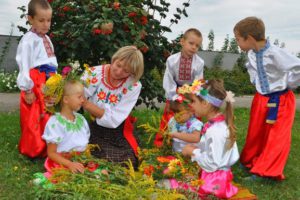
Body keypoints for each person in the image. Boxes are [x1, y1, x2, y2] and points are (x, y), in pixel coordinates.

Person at [234, 16, 300, 180]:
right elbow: (251, 68)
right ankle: (250, 160)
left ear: (248, 38)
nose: (237, 43)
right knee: (256, 131)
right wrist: (255, 80)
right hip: (261, 99)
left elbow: (298, 67)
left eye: (238, 39)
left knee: (276, 137)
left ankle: (266, 171)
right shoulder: (250, 54)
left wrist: (289, 83)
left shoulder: (276, 53)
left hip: (282, 100)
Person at [81, 46, 144, 169]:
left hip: (118, 131)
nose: (119, 72)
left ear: (132, 73)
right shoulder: (94, 73)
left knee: (128, 161)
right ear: (114, 59)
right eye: (118, 65)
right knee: (95, 154)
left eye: (126, 71)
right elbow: (76, 97)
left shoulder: (134, 85)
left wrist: (87, 104)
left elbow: (114, 119)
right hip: (95, 126)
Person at [181, 79, 239, 199]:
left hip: (215, 183)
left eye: (193, 101)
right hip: (213, 176)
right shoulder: (216, 124)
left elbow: (212, 163)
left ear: (205, 103)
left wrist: (193, 152)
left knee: (176, 187)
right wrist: (196, 148)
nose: (190, 105)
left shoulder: (216, 131)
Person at [16, 0, 58, 158]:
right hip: (36, 80)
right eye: (41, 20)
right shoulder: (28, 40)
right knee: (35, 114)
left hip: (48, 80)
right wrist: (27, 88)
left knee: (48, 111)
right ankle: (34, 148)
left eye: (49, 20)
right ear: (30, 19)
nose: (46, 24)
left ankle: (49, 146)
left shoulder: (47, 39)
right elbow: (24, 64)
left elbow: (51, 60)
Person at [154, 28, 204, 147]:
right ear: (182, 41)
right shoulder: (172, 60)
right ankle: (165, 142)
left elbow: (198, 81)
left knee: (191, 115)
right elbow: (168, 79)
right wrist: (173, 95)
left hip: (191, 93)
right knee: (172, 115)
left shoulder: (199, 62)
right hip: (175, 91)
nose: (193, 47)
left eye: (197, 45)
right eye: (191, 43)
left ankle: (190, 141)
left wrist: (193, 95)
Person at [42, 80, 90, 175]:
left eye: (83, 97)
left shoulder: (81, 119)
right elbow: (51, 153)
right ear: (66, 100)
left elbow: (85, 144)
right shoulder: (56, 123)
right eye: (79, 97)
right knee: (67, 178)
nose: (83, 100)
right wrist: (69, 164)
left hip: (81, 160)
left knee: (99, 173)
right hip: (63, 161)